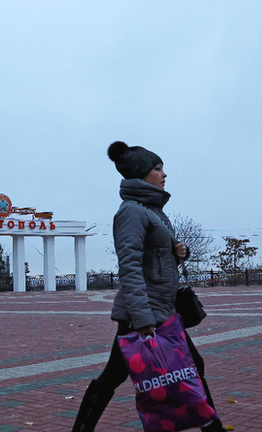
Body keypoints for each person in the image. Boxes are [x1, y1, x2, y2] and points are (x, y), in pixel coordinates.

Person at [72, 141, 226, 432]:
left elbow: (153, 261)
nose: (164, 174)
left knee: (190, 367)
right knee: (115, 376)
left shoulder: (153, 211)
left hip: (162, 309)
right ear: (141, 174)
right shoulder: (131, 212)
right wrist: (142, 319)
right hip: (143, 314)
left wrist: (179, 252)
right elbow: (129, 266)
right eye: (157, 168)